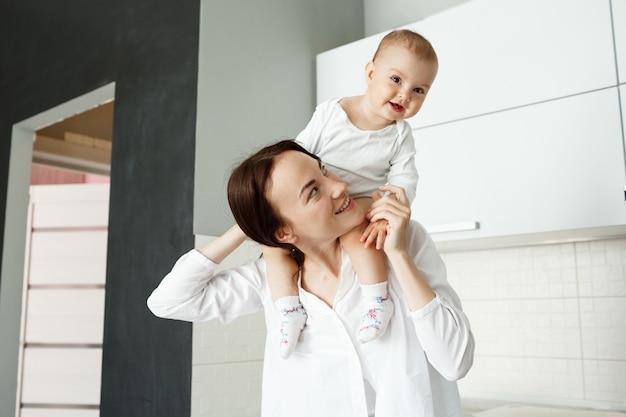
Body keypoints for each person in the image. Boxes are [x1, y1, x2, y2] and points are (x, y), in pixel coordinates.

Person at [147, 140, 474, 417]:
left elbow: (455, 362)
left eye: (323, 170)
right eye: (314, 191)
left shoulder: (402, 241)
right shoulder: (269, 280)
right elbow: (169, 301)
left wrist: (399, 256)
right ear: (283, 232)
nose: (339, 186)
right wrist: (245, 227)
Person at [265, 29, 440, 357]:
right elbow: (299, 153)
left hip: (357, 201)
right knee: (273, 246)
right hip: (319, 194)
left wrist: (389, 208)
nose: (405, 95)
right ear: (371, 73)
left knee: (357, 233)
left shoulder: (400, 135)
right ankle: (287, 310)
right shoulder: (331, 112)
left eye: (419, 90)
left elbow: (405, 177)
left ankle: (377, 300)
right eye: (397, 80)